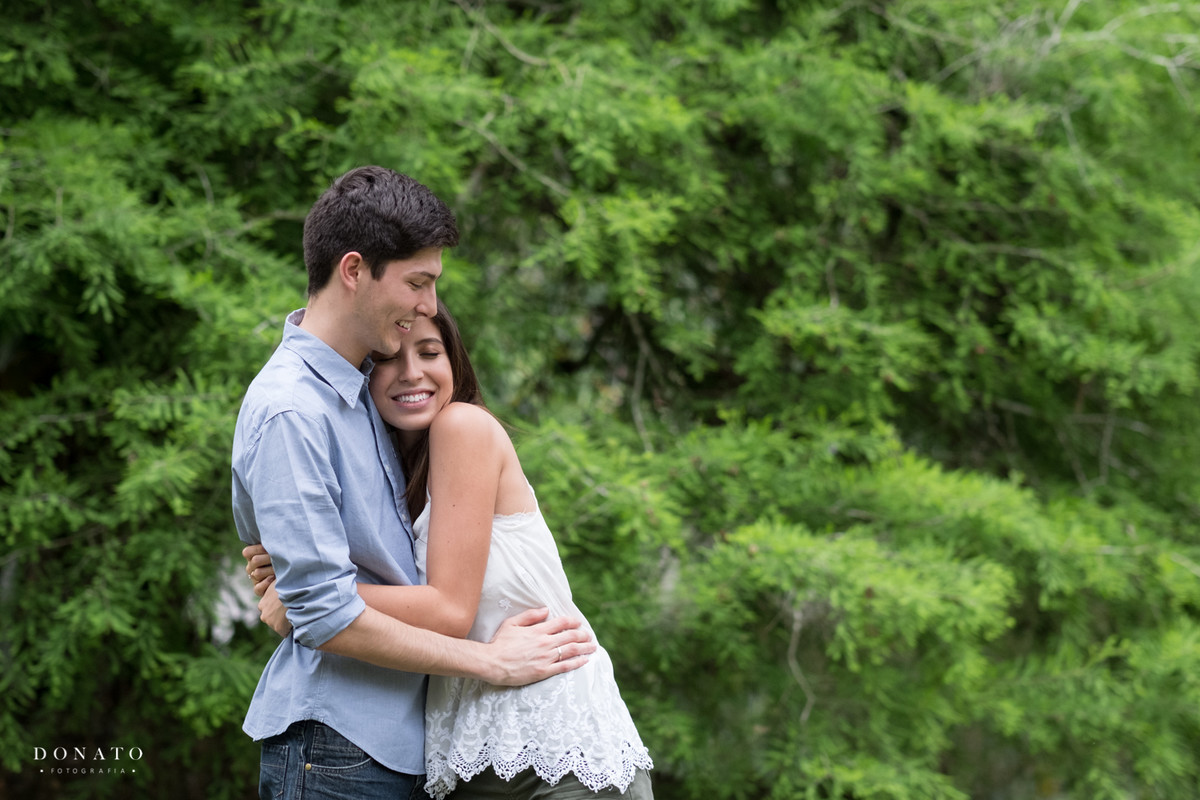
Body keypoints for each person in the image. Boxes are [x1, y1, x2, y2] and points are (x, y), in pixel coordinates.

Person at [232, 166, 595, 800]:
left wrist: (301, 597)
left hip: (402, 747)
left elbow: (325, 593)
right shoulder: (294, 410)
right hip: (336, 744)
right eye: (417, 283)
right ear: (354, 271)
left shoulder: (362, 395)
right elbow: (322, 608)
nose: (428, 305)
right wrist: (490, 662)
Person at [245, 299, 654, 800]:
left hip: (554, 746)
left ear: (454, 363)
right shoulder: (402, 479)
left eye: (430, 352)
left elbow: (448, 610)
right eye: (390, 358)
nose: (410, 373)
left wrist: (306, 592)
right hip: (472, 756)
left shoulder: (462, 426)